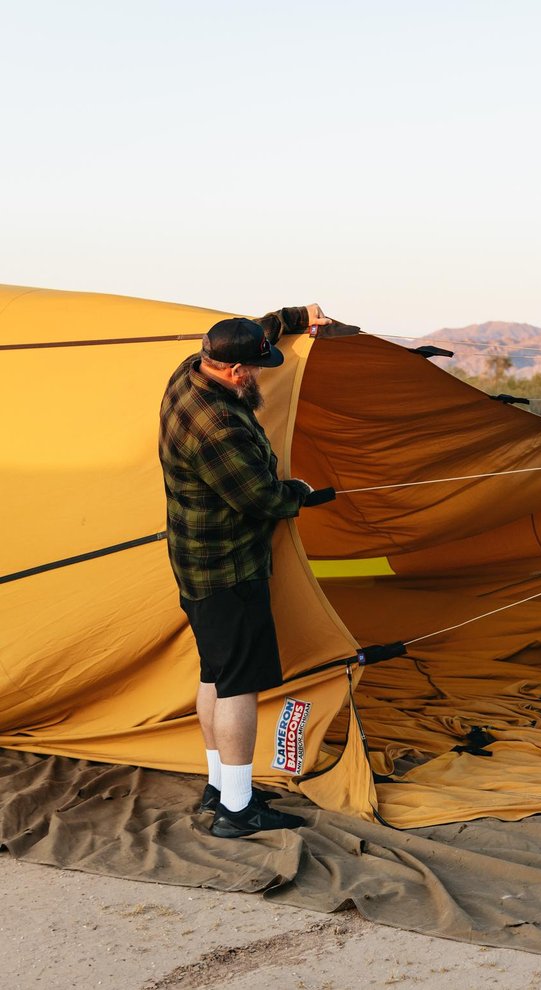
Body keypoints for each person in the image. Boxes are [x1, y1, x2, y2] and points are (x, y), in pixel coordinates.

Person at [159, 304, 338, 838]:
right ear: (236, 373)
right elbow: (259, 497)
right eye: (257, 370)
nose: (259, 375)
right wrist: (300, 494)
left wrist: (295, 314)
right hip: (228, 569)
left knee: (215, 673)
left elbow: (251, 333)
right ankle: (237, 812)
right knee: (239, 686)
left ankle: (222, 786)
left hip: (195, 564)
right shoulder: (216, 427)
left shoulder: (190, 369)